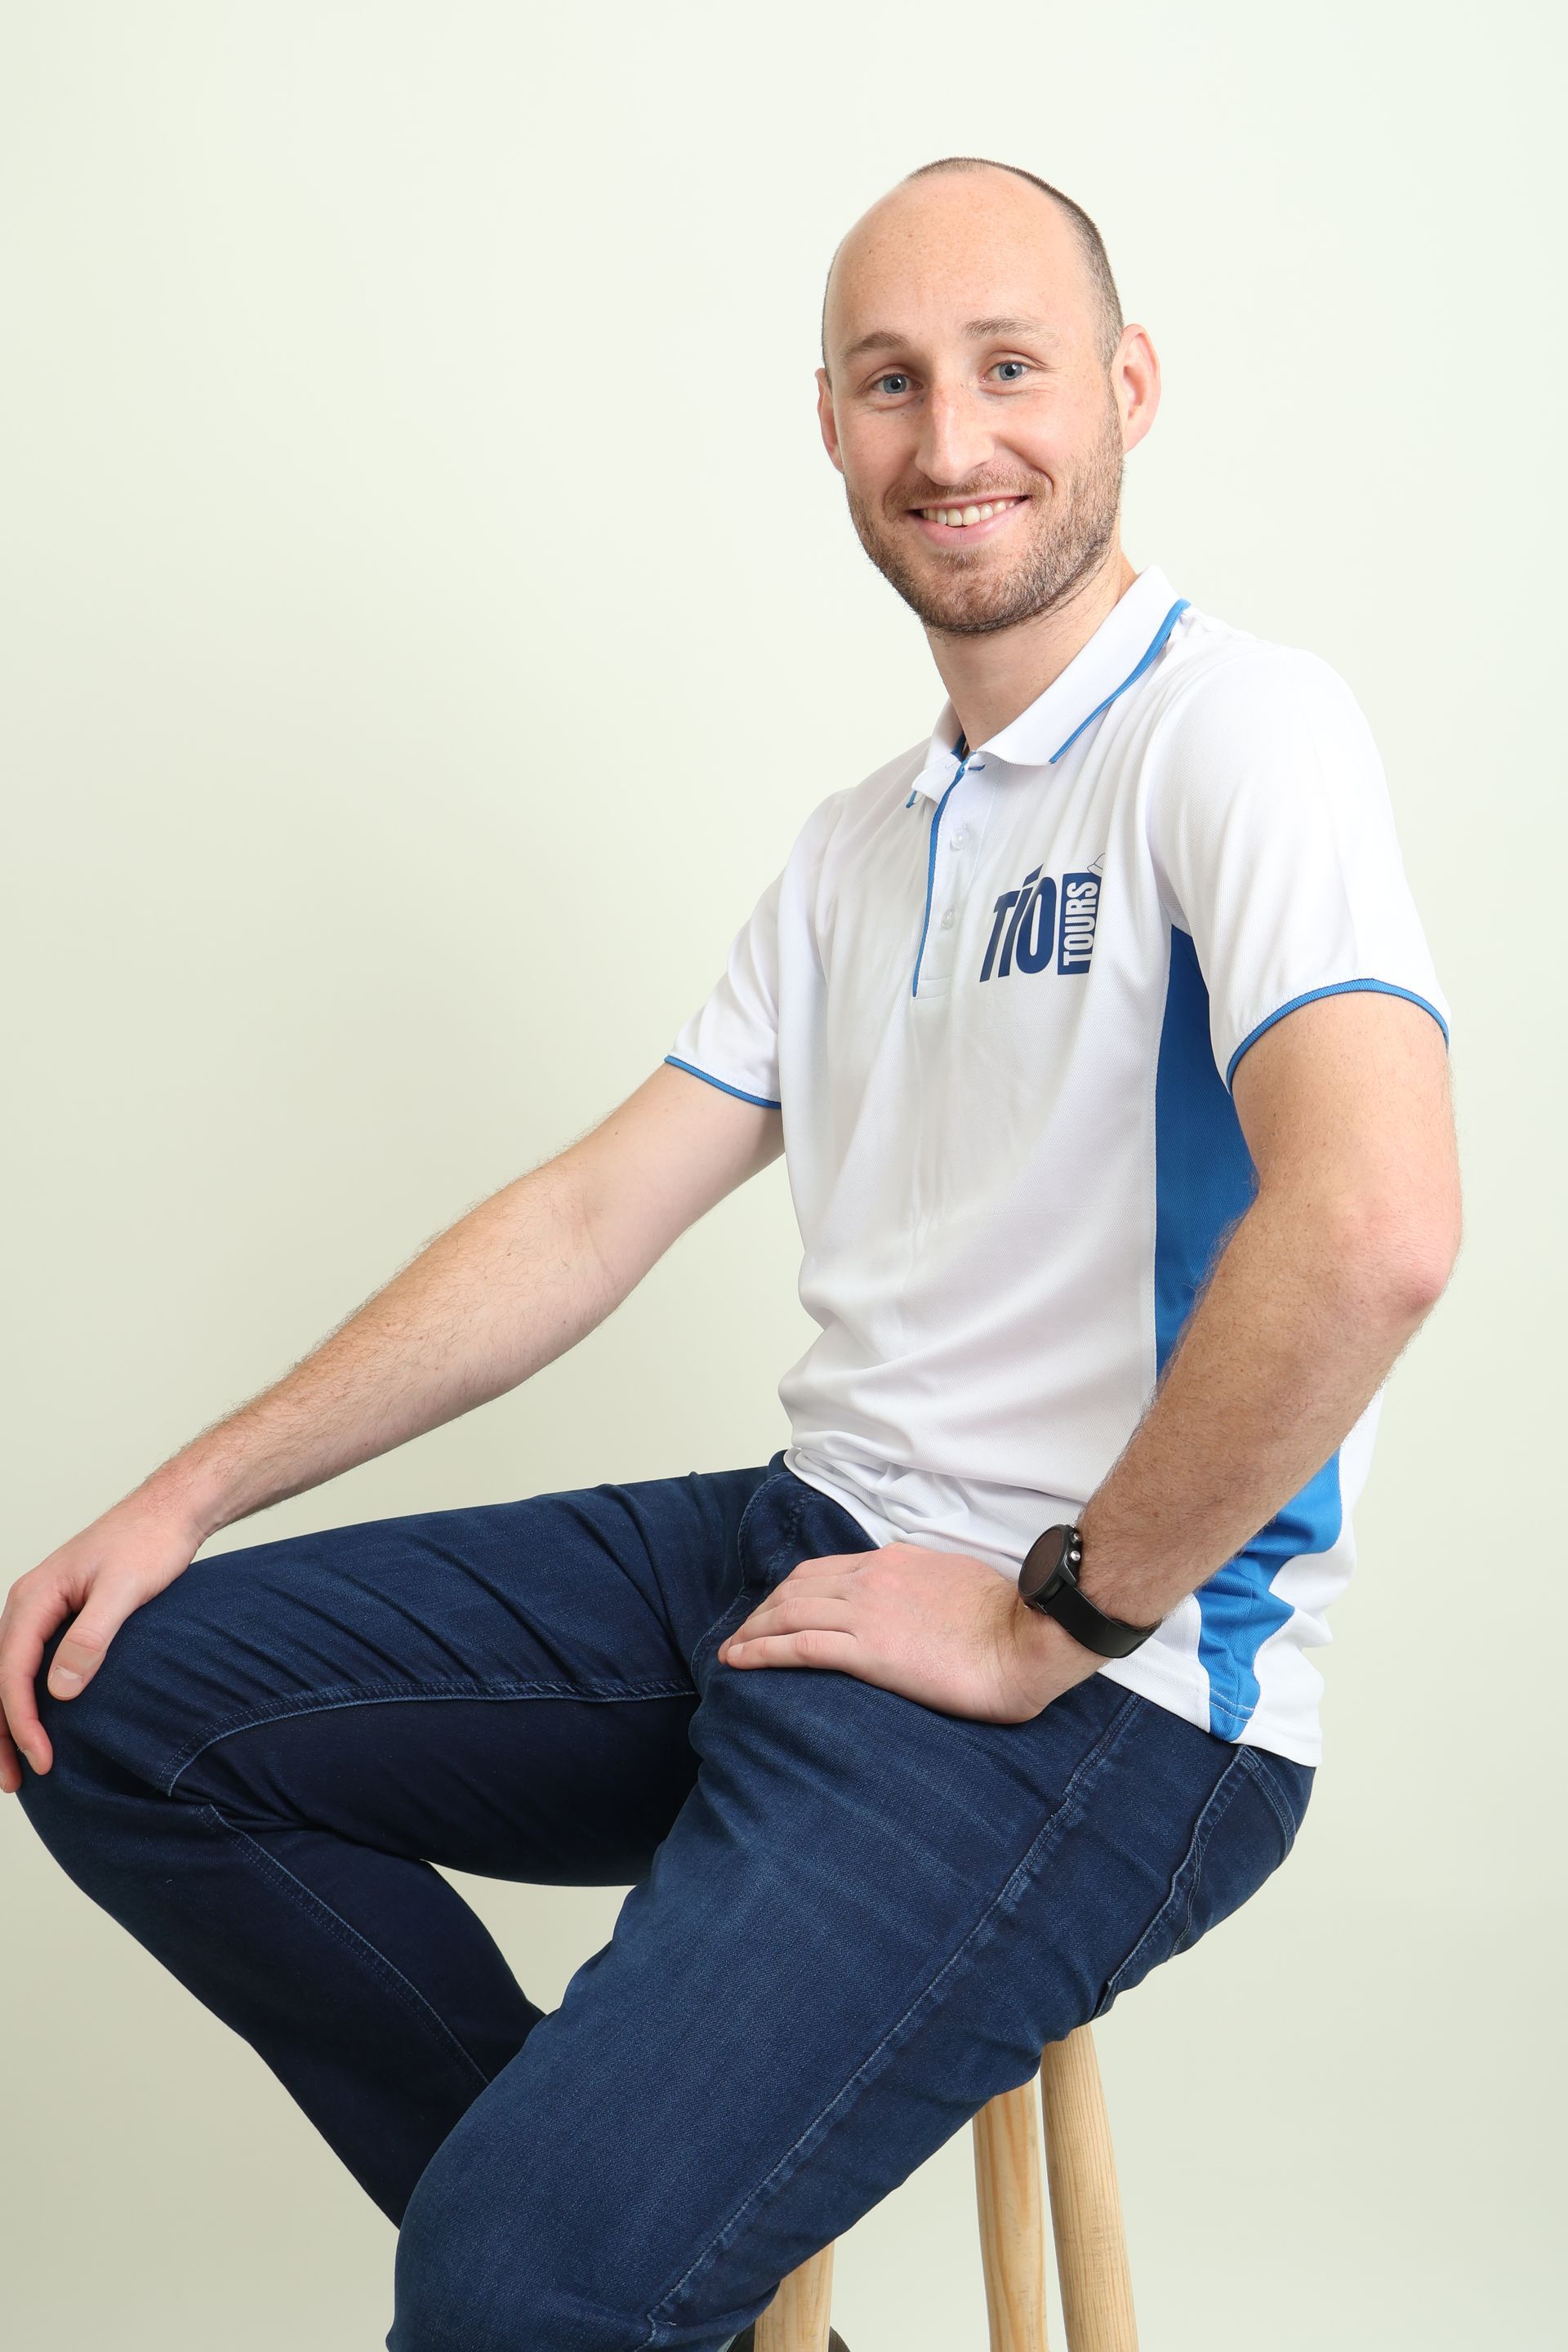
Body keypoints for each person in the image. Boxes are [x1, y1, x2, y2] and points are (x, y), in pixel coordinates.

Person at [2, 154, 1460, 2352]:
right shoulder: (857, 847)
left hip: (1109, 1696)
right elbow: (590, 1218)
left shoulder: (1238, 737)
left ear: (1129, 386)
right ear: (829, 426)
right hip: (808, 1554)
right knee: (114, 1716)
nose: (951, 441)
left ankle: (568, 2265)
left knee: (510, 2286)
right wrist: (186, 1497)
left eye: (1008, 369)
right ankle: (607, 2248)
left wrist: (1054, 1611)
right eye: (892, 383)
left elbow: (1375, 1230)